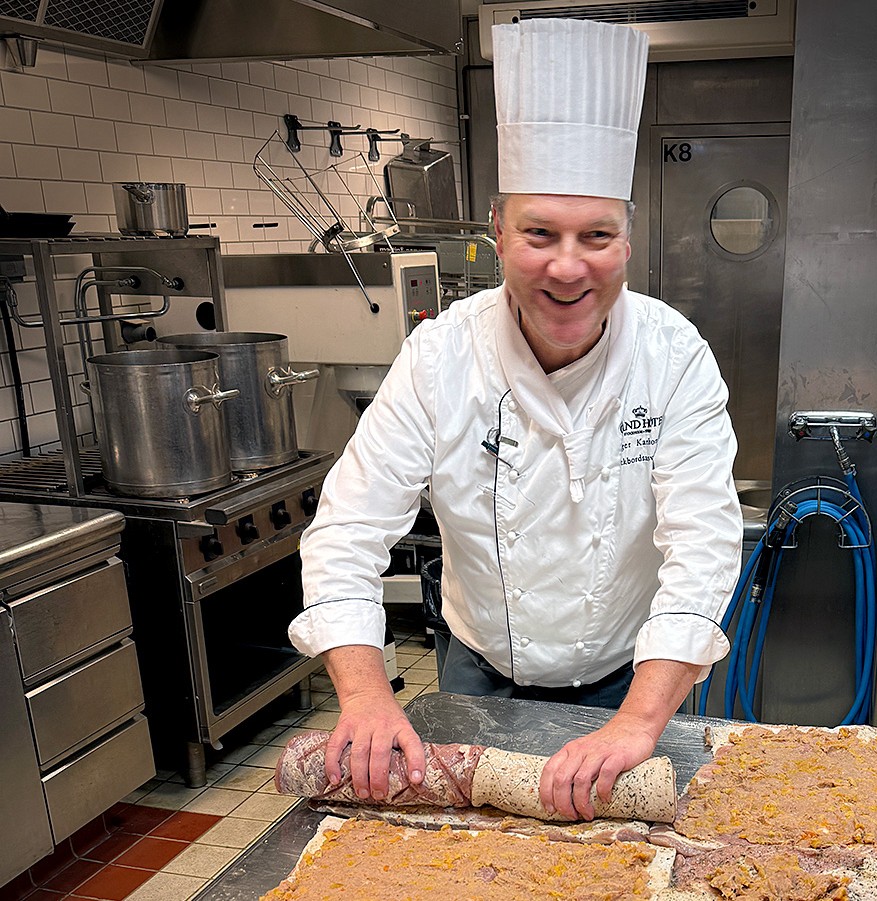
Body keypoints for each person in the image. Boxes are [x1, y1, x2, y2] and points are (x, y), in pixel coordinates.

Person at [289, 17, 742, 821]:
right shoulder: (441, 358)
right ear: (497, 233)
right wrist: (364, 697)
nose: (568, 265)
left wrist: (638, 721)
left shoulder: (674, 356)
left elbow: (703, 546)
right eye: (539, 233)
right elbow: (347, 530)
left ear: (628, 241)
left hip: (630, 680)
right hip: (476, 676)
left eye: (596, 235)